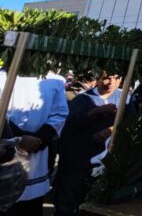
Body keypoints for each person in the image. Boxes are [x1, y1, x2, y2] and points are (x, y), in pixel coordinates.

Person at [54, 70, 122, 216]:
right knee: (68, 203)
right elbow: (68, 125)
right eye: (107, 78)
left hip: (103, 165)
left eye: (116, 78)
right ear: (98, 79)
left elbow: (129, 123)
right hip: (77, 163)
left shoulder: (124, 99)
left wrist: (111, 129)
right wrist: (96, 112)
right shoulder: (82, 100)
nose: (111, 82)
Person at [1, 74, 68, 216]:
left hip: (36, 158)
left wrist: (40, 139)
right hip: (5, 151)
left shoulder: (54, 80)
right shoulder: (3, 75)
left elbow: (60, 113)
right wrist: (18, 138)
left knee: (30, 206)